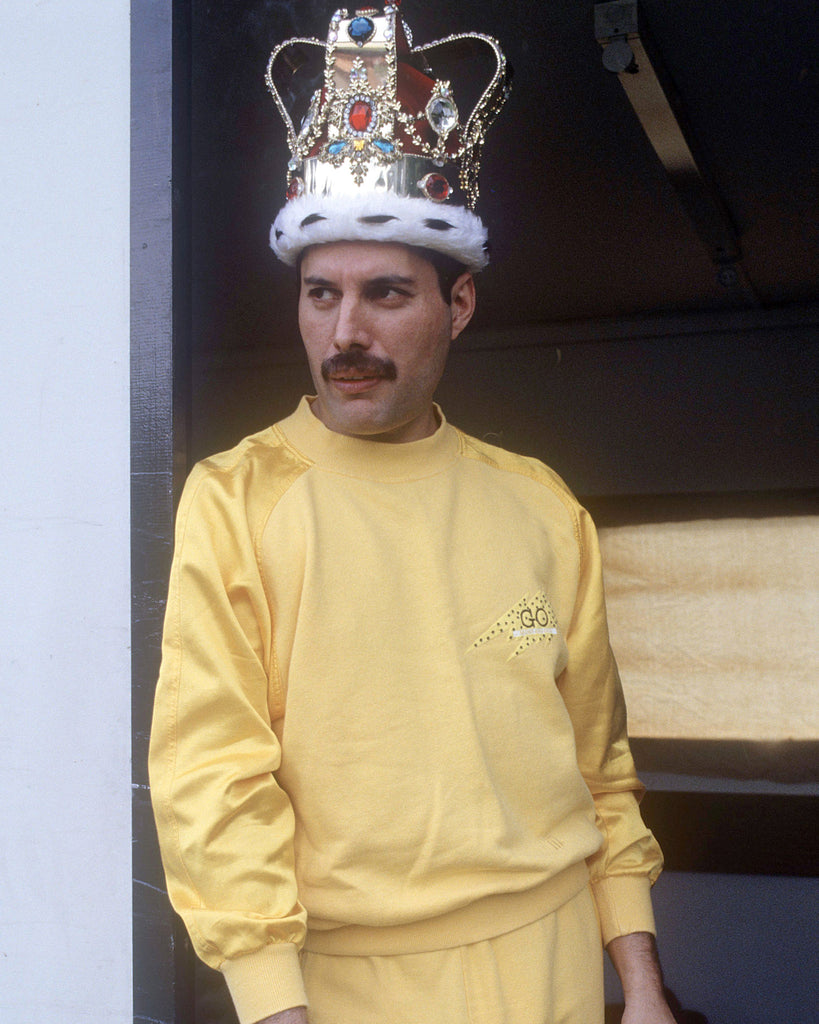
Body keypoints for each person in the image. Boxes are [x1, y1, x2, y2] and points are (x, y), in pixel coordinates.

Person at [149, 6, 677, 1024]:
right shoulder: (235, 497)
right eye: (320, 294)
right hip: (349, 987)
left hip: (556, 959)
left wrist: (643, 984)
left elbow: (599, 768)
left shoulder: (538, 503)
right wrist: (273, 1004)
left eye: (387, 294)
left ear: (459, 305)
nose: (346, 332)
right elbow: (211, 779)